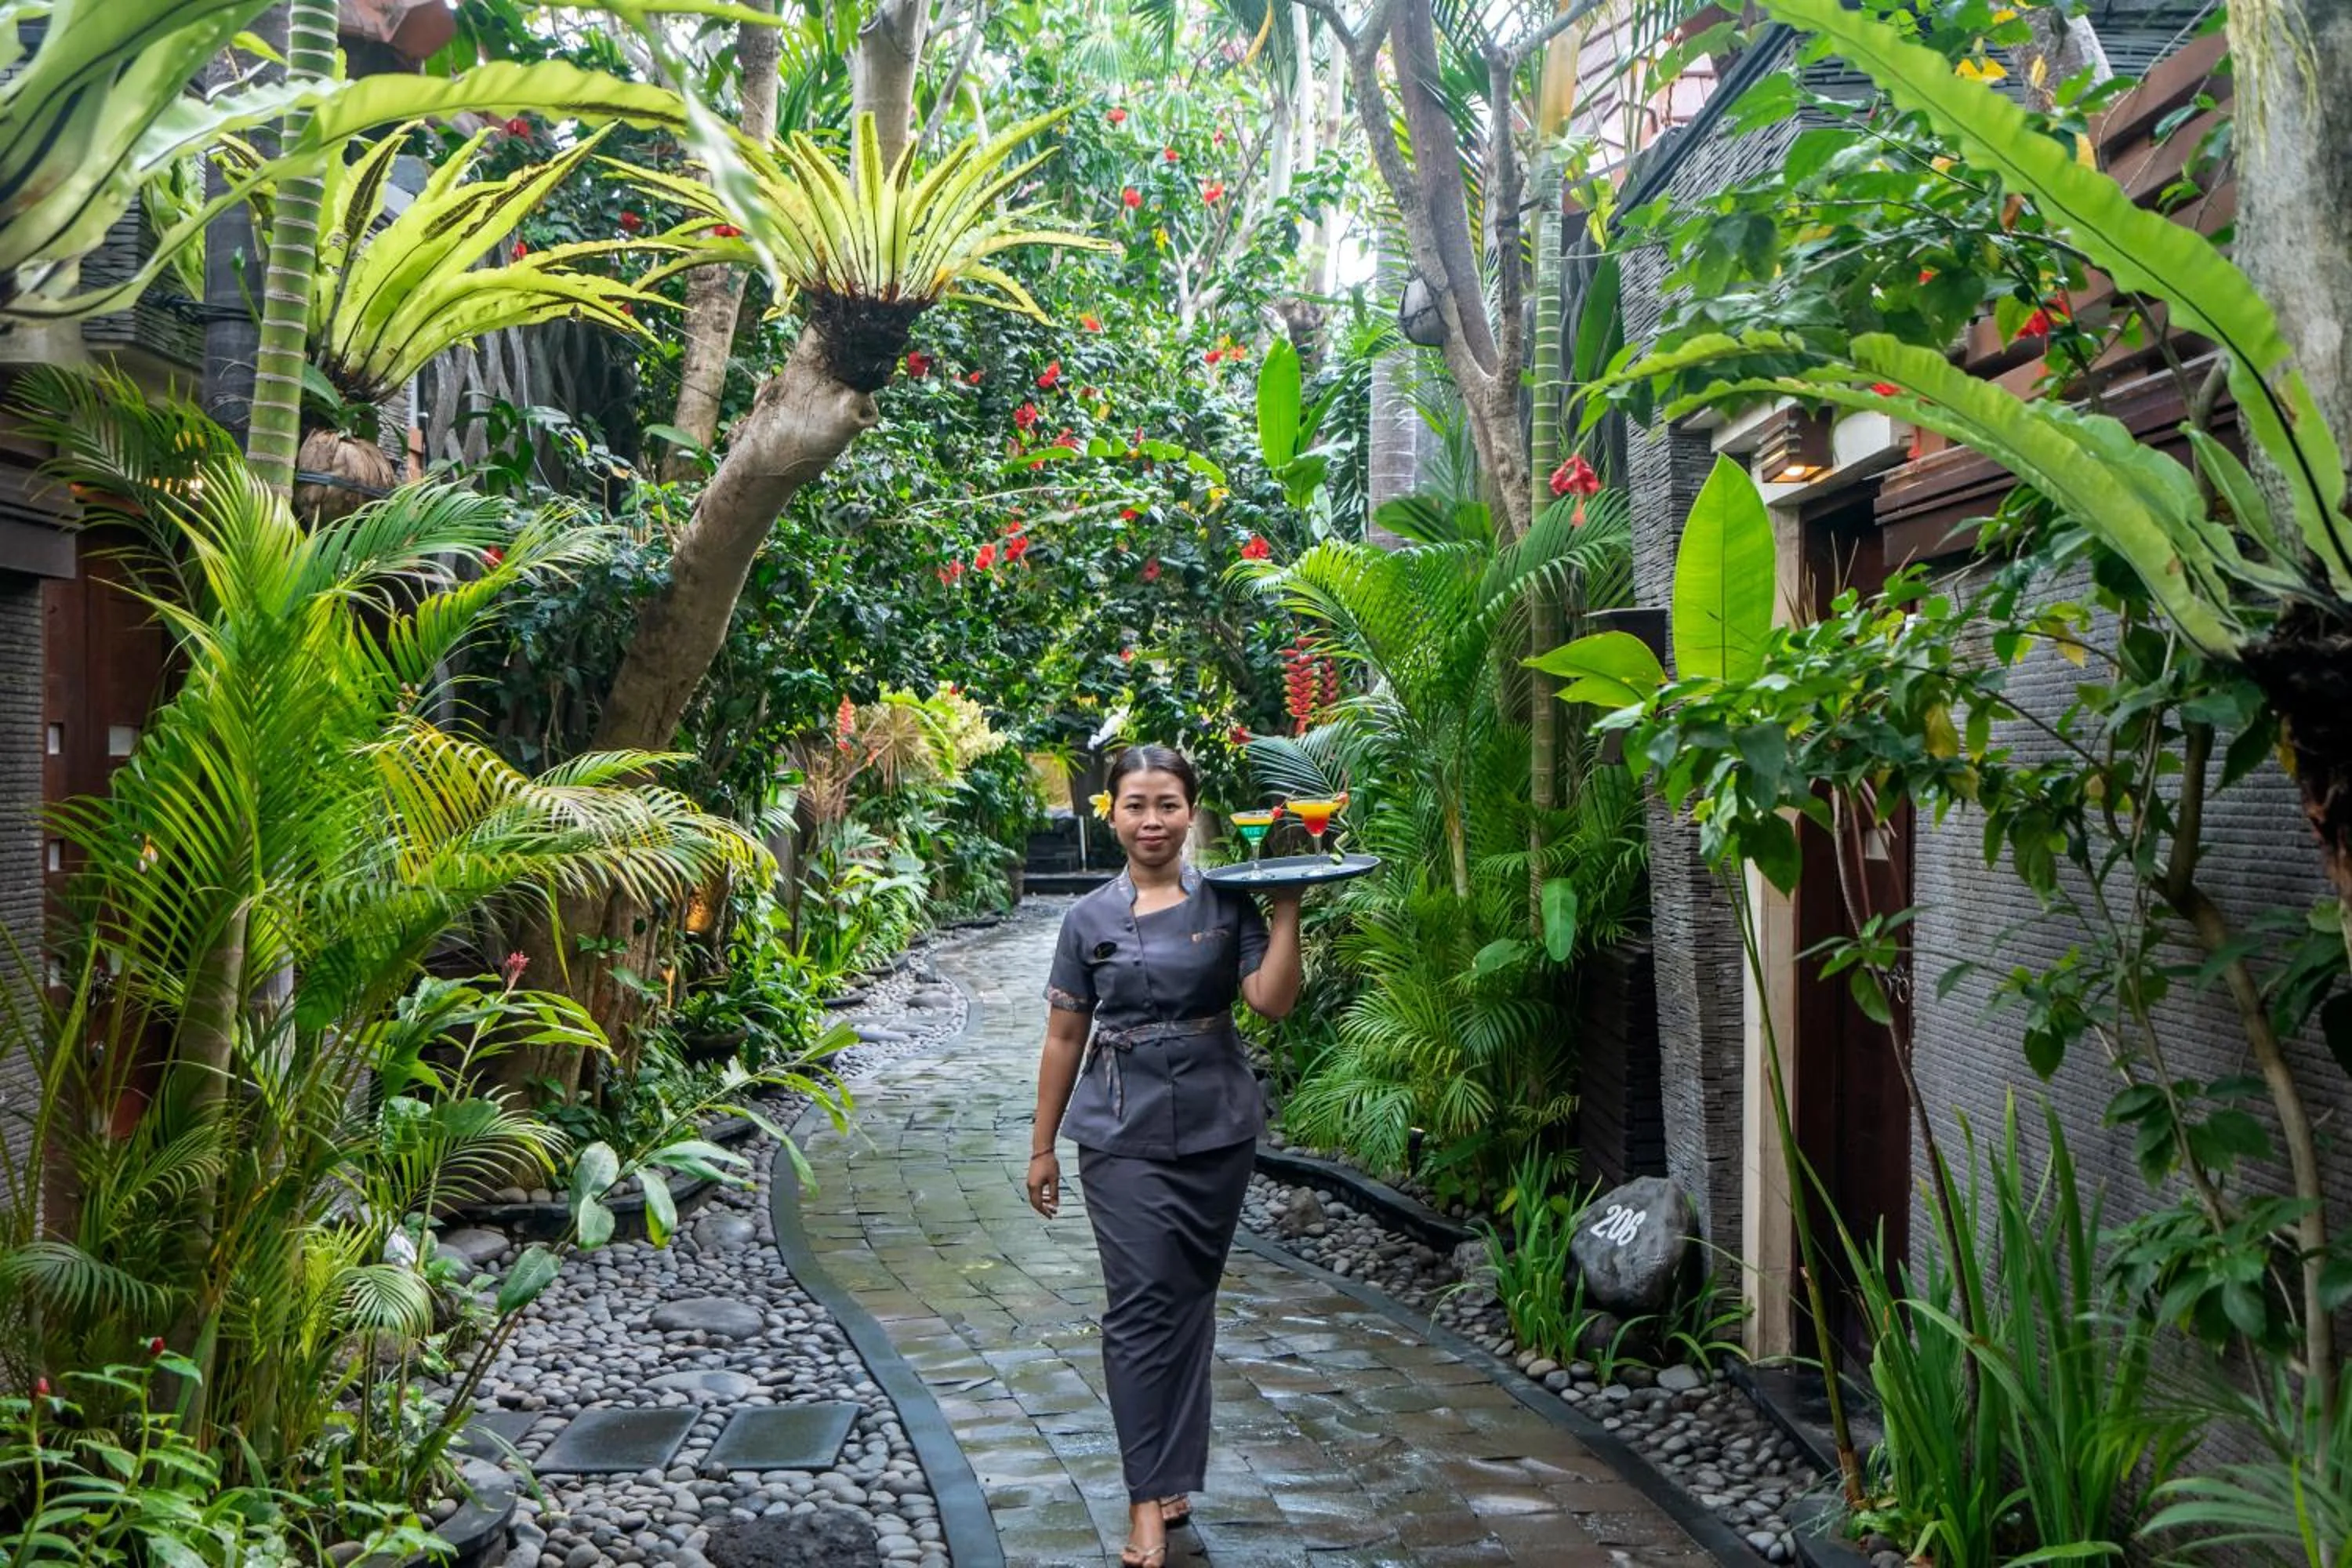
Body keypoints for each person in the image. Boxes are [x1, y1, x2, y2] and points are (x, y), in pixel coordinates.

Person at [1025, 744, 1304, 1568]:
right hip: (1119, 1131)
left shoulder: (1229, 899)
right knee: (1142, 1305)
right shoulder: (1087, 920)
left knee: (1189, 1303)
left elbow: (1272, 1001)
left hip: (1218, 1128)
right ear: (1109, 813)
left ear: (1191, 812)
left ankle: (1172, 1474)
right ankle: (1148, 1496)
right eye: (1136, 804)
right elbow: (1065, 1033)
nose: (1152, 820)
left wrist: (1286, 909)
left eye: (1168, 804)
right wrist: (1041, 1144)